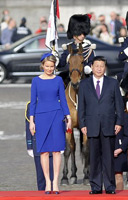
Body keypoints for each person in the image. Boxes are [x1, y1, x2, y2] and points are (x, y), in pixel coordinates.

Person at [78, 56, 124, 195]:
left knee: (108, 158)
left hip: (109, 125)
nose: (99, 68)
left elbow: (119, 105)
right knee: (94, 158)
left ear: (105, 68)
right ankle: (96, 186)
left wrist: (119, 122)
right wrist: (82, 123)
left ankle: (110, 186)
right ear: (91, 67)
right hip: (91, 125)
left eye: (101, 66)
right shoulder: (84, 84)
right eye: (96, 66)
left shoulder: (112, 83)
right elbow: (81, 107)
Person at [29, 53, 71, 194]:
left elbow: (63, 100)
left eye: (52, 67)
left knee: (57, 150)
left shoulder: (58, 80)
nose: (49, 69)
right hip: (41, 117)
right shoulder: (36, 81)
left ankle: (55, 182)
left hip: (57, 116)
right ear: (42, 66)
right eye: (47, 66)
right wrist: (31, 121)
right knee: (44, 151)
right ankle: (47, 181)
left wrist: (68, 116)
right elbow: (33, 102)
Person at [25, 102, 54, 191]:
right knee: (41, 178)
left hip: (52, 144)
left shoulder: (55, 103)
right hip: (37, 143)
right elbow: (28, 125)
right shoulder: (31, 105)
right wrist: (29, 145)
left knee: (52, 178)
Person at [114, 112, 128, 190]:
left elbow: (127, 135)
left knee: (118, 175)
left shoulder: (124, 116)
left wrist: (121, 148)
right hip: (107, 149)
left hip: (120, 149)